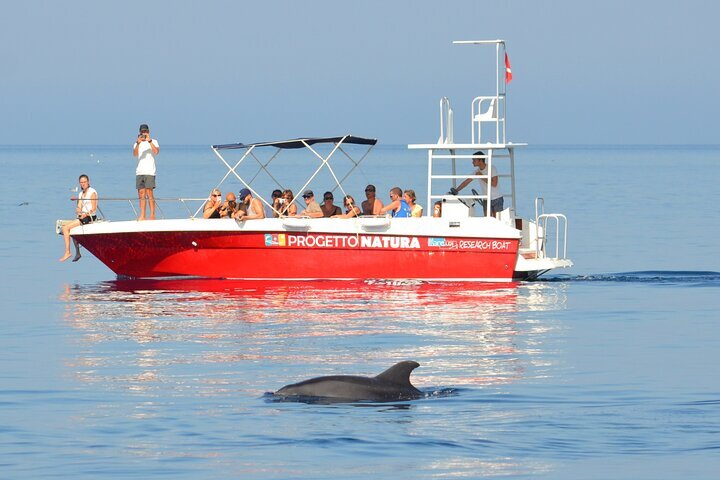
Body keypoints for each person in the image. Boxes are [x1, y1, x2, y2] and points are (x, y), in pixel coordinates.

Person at [450, 150, 504, 217]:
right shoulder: (477, 171)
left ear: (480, 160)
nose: (472, 162)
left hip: (497, 198)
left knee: (498, 221)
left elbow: (494, 184)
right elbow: (466, 182)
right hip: (486, 199)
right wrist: (456, 190)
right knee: (487, 221)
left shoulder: (492, 168)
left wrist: (481, 176)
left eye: (474, 160)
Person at [59, 174, 97, 262]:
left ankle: (68, 252)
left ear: (88, 182)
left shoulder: (92, 192)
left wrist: (86, 214)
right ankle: (78, 253)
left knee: (65, 228)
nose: (83, 184)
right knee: (69, 229)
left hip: (90, 217)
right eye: (81, 182)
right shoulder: (80, 194)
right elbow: (79, 206)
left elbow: (94, 208)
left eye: (84, 182)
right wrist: (78, 210)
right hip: (82, 216)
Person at [132, 123, 160, 220]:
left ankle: (152, 215)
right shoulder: (137, 143)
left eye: (146, 131)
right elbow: (135, 154)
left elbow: (156, 152)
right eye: (142, 131)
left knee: (149, 192)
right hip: (140, 171)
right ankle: (142, 215)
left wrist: (150, 141)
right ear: (140, 132)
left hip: (150, 171)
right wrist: (138, 143)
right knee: (141, 193)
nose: (144, 133)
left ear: (148, 132)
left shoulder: (154, 141)